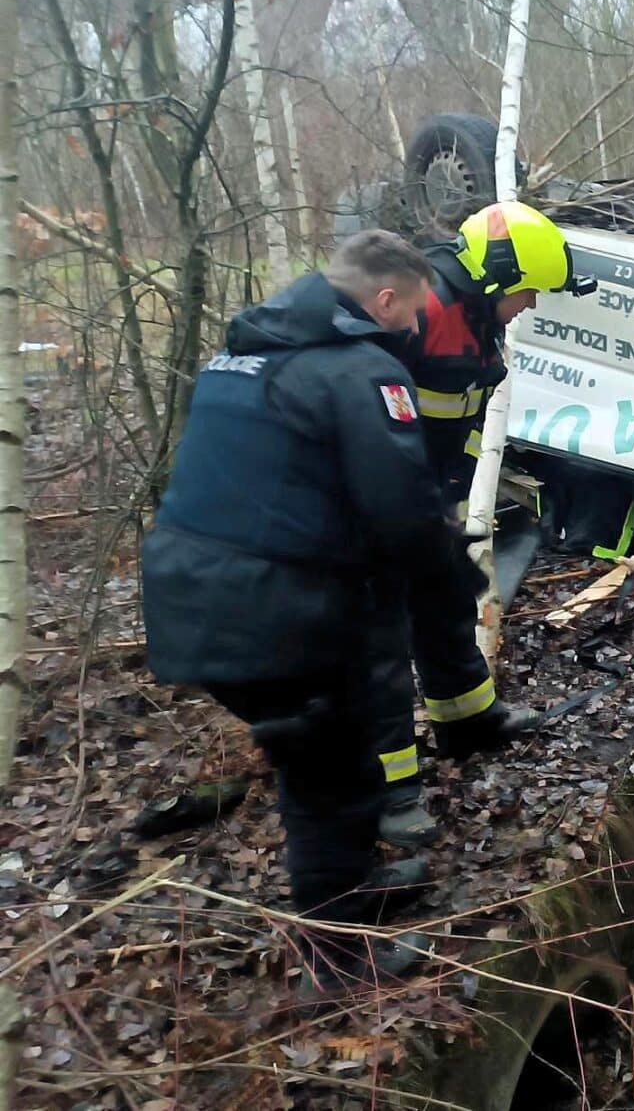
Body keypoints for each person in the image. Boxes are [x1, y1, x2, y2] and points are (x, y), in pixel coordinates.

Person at [142, 231, 479, 997]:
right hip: (268, 609)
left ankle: (353, 895)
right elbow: (401, 508)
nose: (416, 330)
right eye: (413, 313)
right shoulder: (361, 373)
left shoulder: (242, 355)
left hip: (189, 592)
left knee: (338, 749)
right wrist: (456, 576)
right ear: (384, 299)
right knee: (329, 775)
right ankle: (336, 966)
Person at [371, 200, 596, 846]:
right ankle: (389, 796)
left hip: (417, 492)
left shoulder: (470, 312)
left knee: (441, 604)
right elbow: (361, 406)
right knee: (377, 641)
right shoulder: (422, 310)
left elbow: (453, 413)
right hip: (373, 500)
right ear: (498, 278)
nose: (530, 304)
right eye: (526, 291)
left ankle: (468, 721)